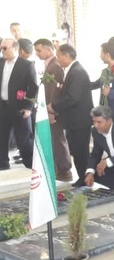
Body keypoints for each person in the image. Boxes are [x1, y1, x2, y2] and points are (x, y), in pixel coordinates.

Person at [49, 44, 94, 185]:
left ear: (66, 55)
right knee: (76, 150)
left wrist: (54, 106)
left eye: (59, 56)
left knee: (81, 152)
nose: (57, 59)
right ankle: (82, 177)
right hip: (73, 120)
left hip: (79, 120)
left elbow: (73, 97)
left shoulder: (77, 71)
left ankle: (84, 178)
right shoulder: (72, 70)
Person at [34, 38, 72, 181]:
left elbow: (56, 91)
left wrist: (52, 110)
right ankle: (58, 168)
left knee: (58, 139)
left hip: (53, 110)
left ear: (49, 50)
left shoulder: (55, 66)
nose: (37, 53)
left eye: (39, 50)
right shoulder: (49, 65)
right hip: (48, 109)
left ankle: (64, 169)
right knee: (54, 139)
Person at [0, 37, 37, 170]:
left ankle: (31, 167)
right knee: (2, 138)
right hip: (2, 106)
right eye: (1, 48)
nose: (2, 51)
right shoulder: (1, 62)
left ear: (15, 49)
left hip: (19, 108)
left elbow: (33, 88)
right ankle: (3, 166)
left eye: (5, 48)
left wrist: (28, 107)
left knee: (24, 139)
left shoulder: (26, 65)